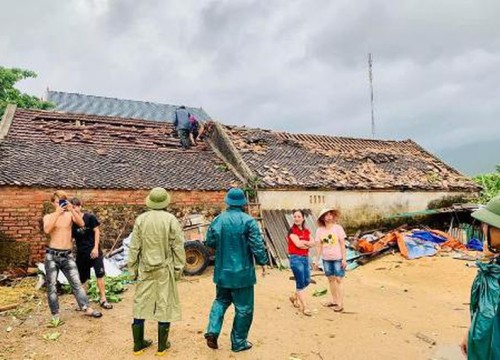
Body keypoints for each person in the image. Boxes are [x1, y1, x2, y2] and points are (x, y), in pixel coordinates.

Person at [204, 188, 268, 352]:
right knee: (244, 308)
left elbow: (209, 242)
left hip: (222, 272)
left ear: (227, 202)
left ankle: (212, 330)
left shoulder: (218, 220)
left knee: (220, 301)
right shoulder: (249, 221)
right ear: (243, 204)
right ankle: (238, 342)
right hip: (243, 274)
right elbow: (257, 244)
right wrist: (262, 261)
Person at [128, 187, 186, 356]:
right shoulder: (170, 220)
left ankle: (138, 345)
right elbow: (178, 247)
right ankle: (162, 347)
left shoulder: (141, 219)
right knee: (164, 303)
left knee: (140, 304)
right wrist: (178, 269)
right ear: (165, 202)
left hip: (145, 269)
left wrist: (132, 271)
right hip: (164, 269)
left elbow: (134, 248)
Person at [42, 191, 102, 325]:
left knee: (77, 284)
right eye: (58, 202)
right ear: (53, 203)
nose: (60, 205)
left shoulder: (70, 215)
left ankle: (86, 307)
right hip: (52, 255)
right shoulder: (49, 216)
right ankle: (55, 314)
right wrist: (57, 212)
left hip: (67, 255)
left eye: (62, 202)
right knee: (51, 287)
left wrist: (72, 210)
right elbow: (47, 229)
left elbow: (81, 224)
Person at [460, 195, 500, 359]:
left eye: (488, 225)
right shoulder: (494, 269)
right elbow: (485, 315)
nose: (483, 228)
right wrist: (471, 335)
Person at [70, 198, 112, 310]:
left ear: (80, 206)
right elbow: (70, 239)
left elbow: (97, 231)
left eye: (76, 207)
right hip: (81, 253)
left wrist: (95, 248)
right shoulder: (71, 222)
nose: (74, 209)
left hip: (94, 251)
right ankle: (83, 302)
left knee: (100, 275)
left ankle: (103, 299)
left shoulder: (90, 217)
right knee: (82, 279)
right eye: (72, 208)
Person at [314, 208, 347, 312]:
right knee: (331, 279)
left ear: (333, 216)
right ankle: (334, 300)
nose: (328, 217)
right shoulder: (319, 230)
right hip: (326, 259)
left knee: (339, 279)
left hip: (337, 258)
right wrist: (316, 260)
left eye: (330, 215)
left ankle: (340, 304)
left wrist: (344, 259)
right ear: (322, 218)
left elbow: (342, 244)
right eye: (326, 215)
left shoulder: (338, 228)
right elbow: (319, 246)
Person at [287, 210, 315, 316]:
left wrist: (305, 243)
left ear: (303, 218)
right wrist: (307, 243)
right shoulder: (292, 231)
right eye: (295, 216)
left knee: (306, 281)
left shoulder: (306, 231)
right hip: (295, 258)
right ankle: (305, 307)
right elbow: (298, 245)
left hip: (305, 258)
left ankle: (294, 296)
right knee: (300, 283)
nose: (296, 218)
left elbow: (314, 243)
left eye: (299, 216)